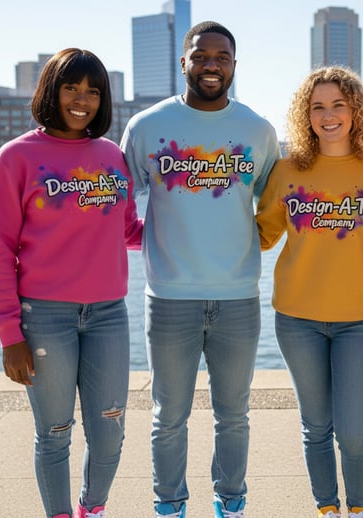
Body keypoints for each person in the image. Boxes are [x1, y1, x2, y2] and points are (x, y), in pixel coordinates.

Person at [120, 21, 280, 518]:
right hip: (169, 297)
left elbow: (273, 205)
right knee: (169, 416)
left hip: (238, 296)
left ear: (234, 65)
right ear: (184, 61)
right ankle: (170, 505)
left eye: (222, 57)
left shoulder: (257, 130)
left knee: (234, 414)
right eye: (201, 55)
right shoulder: (146, 127)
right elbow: (119, 202)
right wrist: (151, 242)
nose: (212, 64)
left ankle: (230, 503)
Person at [0, 48, 143, 518]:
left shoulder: (111, 155)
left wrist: (191, 227)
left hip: (109, 314)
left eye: (93, 91)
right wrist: (9, 334)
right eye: (72, 87)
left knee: (110, 427)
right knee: (54, 431)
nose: (82, 100)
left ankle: (92, 509)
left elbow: (129, 229)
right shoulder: (15, 158)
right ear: (51, 90)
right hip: (44, 316)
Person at [256, 66, 363, 518]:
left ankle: (359, 510)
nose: (328, 115)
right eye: (318, 106)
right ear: (306, 115)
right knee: (316, 427)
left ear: (355, 110)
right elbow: (261, 235)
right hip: (297, 319)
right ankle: (326, 508)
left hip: (361, 322)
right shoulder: (286, 171)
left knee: (354, 431)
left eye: (338, 105)